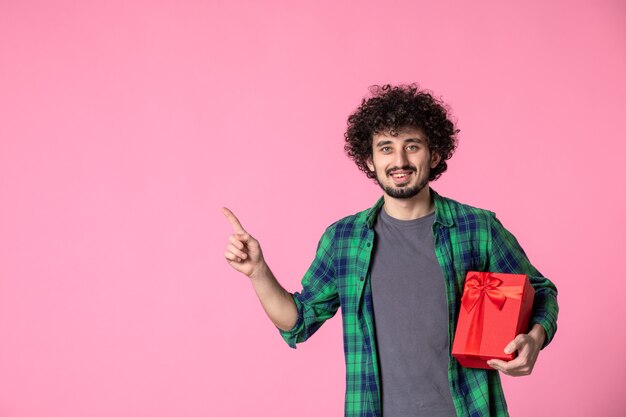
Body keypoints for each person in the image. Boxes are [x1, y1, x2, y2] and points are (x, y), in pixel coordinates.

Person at [222, 84, 559, 417]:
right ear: (369, 160)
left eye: (412, 146)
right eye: (386, 148)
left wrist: (534, 338)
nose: (399, 160)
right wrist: (259, 272)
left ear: (435, 154)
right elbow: (299, 321)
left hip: (468, 409)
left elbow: (541, 292)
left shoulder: (477, 228)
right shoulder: (344, 240)